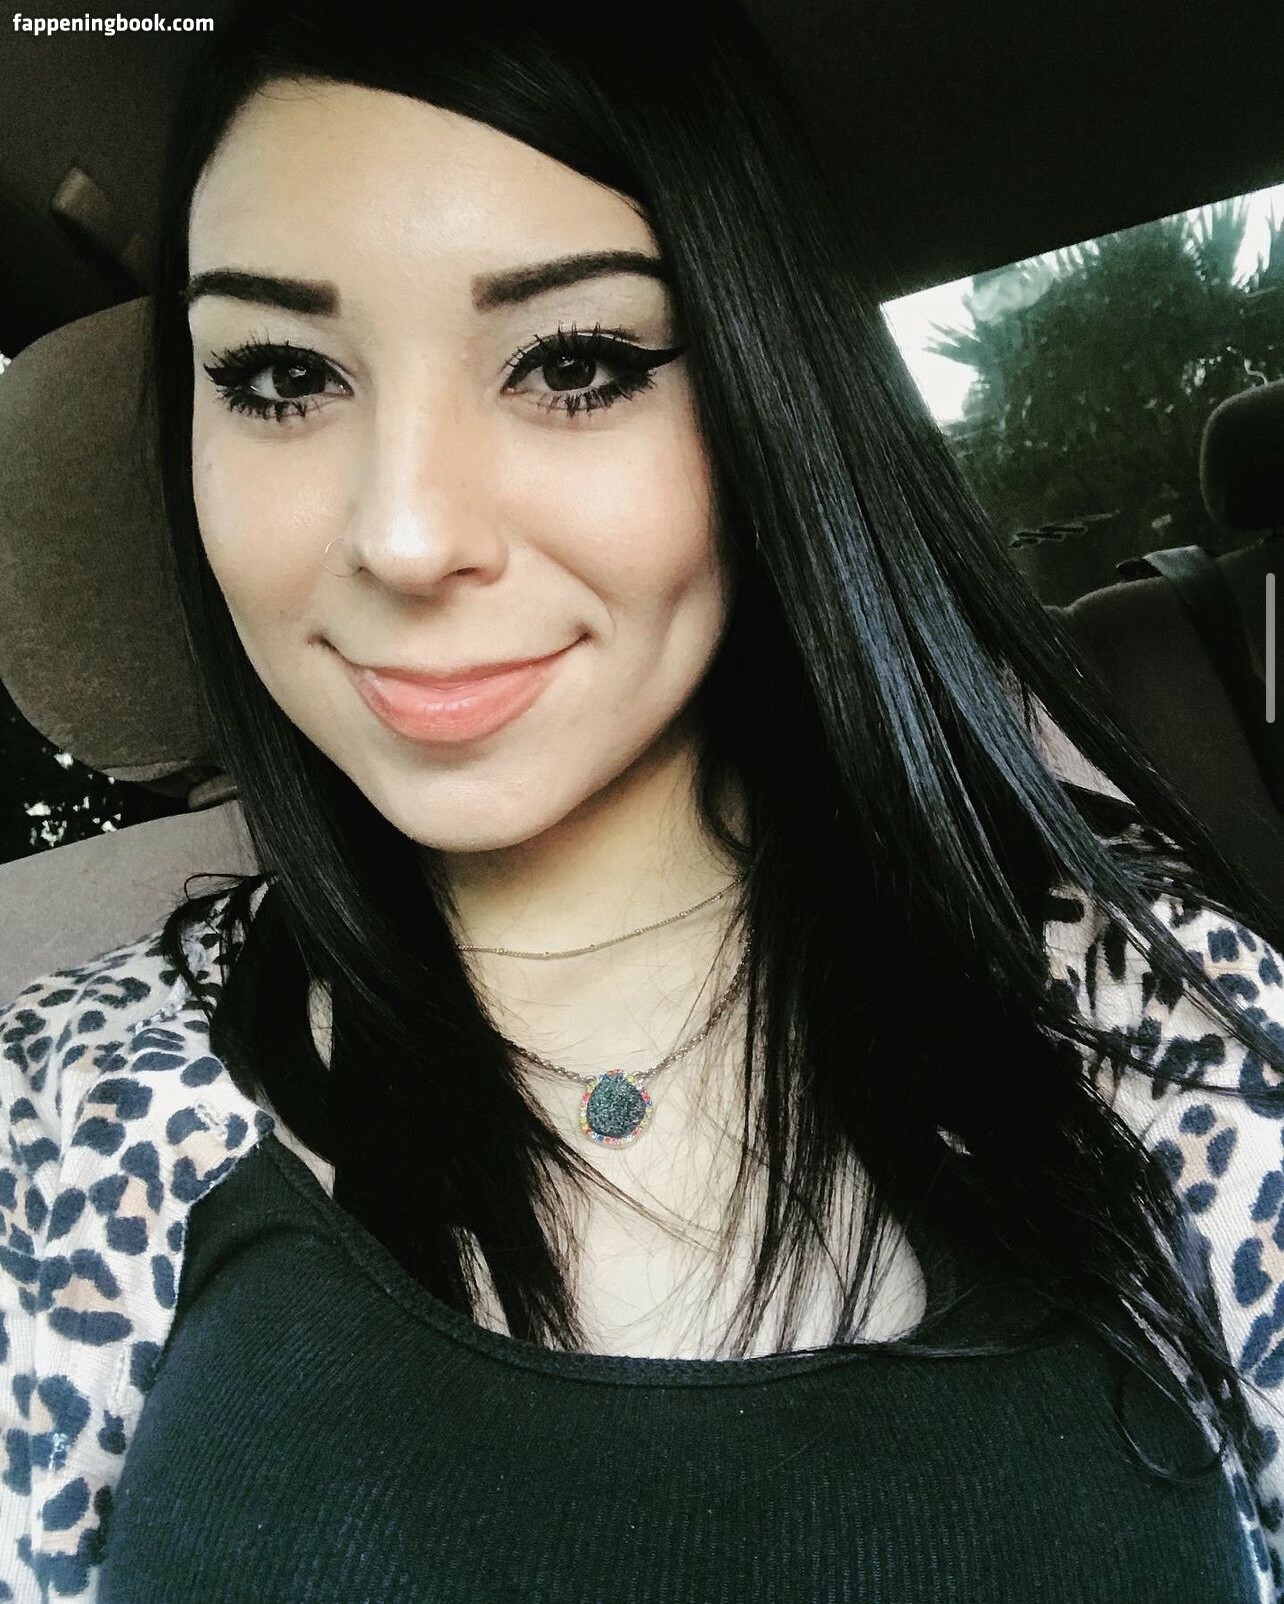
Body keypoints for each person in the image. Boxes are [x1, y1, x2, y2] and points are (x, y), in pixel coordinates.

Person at [3, 1, 1284, 1599]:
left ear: (764, 403)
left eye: (575, 363)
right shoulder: (64, 1108)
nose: (407, 536)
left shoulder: (1171, 1025)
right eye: (279, 375)